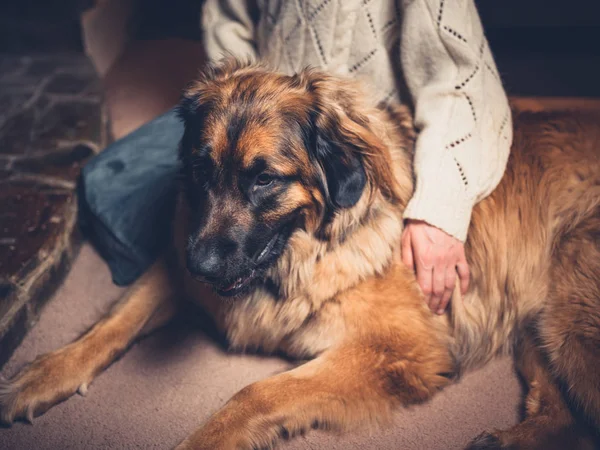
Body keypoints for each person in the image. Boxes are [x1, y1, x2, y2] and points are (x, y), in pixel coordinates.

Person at [79, 0, 512, 315]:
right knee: (105, 182)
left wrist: (438, 210)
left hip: (353, 125)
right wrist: (235, 103)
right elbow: (227, 27)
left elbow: (462, 82)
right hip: (252, 113)